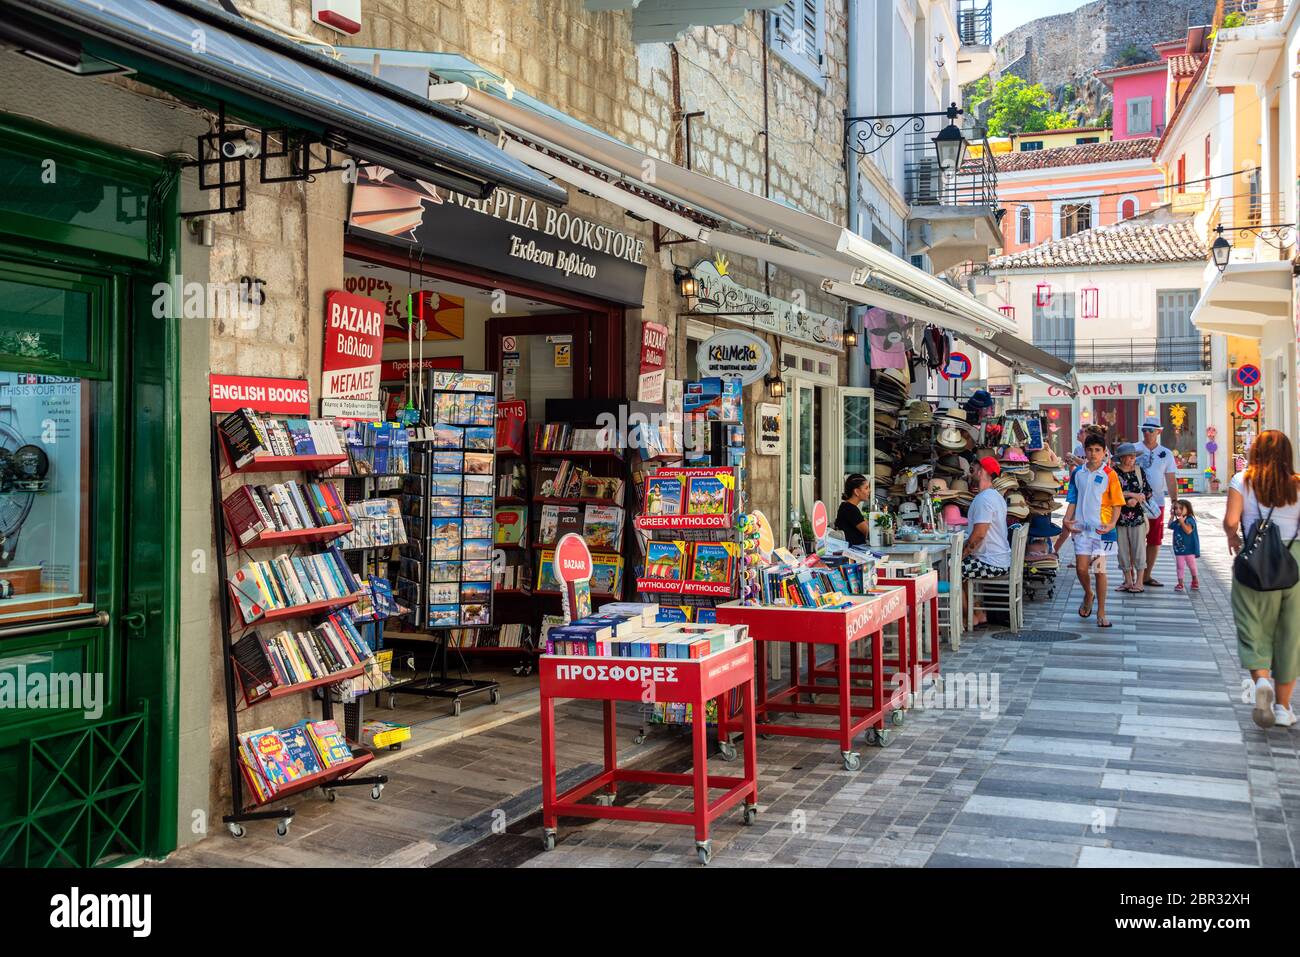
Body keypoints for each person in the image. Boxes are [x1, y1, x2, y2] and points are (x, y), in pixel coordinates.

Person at [1225, 430, 1300, 729]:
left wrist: (1233, 536)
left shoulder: (1242, 480)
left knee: (1251, 624)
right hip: (1295, 560)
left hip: (1255, 558)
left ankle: (1260, 682)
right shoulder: (1297, 483)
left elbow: (1232, 521)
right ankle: (1283, 708)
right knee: (1290, 634)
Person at [1063, 431, 1125, 628]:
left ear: (1104, 452)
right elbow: (1073, 498)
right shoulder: (1077, 473)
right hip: (1081, 529)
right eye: (1089, 450)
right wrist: (1066, 518)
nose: (1093, 454)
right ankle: (1089, 594)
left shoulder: (1110, 475)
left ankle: (1101, 612)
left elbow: (1117, 503)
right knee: (1081, 569)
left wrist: (1113, 523)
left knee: (1099, 571)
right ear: (1084, 451)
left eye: (1097, 450)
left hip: (1102, 531)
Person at [960, 456, 1011, 629]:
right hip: (998, 558)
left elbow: (980, 534)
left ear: (982, 471)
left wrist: (962, 554)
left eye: (974, 467)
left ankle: (968, 617)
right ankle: (977, 613)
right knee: (962, 568)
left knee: (953, 570)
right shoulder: (995, 496)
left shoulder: (984, 499)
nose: (971, 470)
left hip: (991, 561)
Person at [1137, 419, 1180, 586]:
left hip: (1156, 502)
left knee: (1154, 539)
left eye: (1150, 430)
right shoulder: (1134, 449)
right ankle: (1136, 575)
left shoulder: (1166, 453)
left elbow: (1170, 479)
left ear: (1158, 432)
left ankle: (1147, 575)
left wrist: (1174, 501)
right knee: (1136, 538)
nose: (1147, 433)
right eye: (1144, 430)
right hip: (1135, 501)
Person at [1113, 442, 1153, 593]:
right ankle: (1128, 581)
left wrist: (1138, 498)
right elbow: (1111, 494)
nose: (1132, 459)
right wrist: (1130, 495)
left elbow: (1148, 492)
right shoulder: (1114, 473)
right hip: (1119, 517)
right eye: (1129, 457)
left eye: (1133, 456)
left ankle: (1139, 582)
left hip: (1137, 517)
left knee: (1139, 550)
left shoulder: (1138, 471)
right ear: (1121, 458)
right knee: (1122, 550)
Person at [1168, 500, 1201, 592]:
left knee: (1192, 565)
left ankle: (1195, 580)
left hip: (1189, 549)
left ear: (1188, 509)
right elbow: (1170, 526)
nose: (1178, 510)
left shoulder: (1189, 519)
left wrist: (1182, 522)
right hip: (1179, 549)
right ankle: (1180, 583)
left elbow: (1188, 531)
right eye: (1176, 508)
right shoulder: (1178, 520)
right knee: (1180, 566)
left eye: (1181, 508)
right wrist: (1171, 516)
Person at [835, 473, 871, 547]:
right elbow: (870, 533)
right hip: (853, 554)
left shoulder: (847, 507)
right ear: (856, 492)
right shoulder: (850, 509)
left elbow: (864, 523)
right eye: (866, 488)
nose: (869, 491)